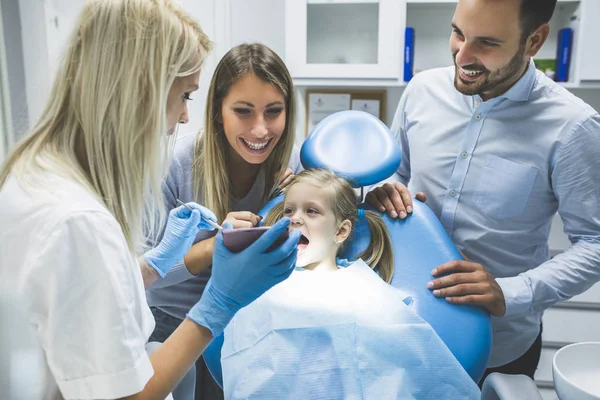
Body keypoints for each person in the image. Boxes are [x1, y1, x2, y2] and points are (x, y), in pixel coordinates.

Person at [0, 1, 300, 399]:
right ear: (141, 90)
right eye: (185, 96)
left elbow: (81, 291)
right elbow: (129, 395)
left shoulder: (35, 172)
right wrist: (218, 303)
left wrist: (150, 266)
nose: (183, 118)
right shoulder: (77, 220)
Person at [366, 0, 600, 384]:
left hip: (500, 346)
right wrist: (384, 191)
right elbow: (394, 175)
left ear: (534, 41)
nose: (464, 55)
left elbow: (594, 242)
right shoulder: (421, 90)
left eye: (487, 43)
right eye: (458, 33)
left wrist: (510, 291)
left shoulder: (573, 128)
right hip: (404, 328)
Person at [218, 168, 480, 398]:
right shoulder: (264, 282)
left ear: (341, 231)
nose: (295, 218)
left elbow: (406, 358)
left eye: (311, 211)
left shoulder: (367, 290)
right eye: (289, 210)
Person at [145, 43, 301, 399]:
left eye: (273, 111)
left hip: (260, 321)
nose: (260, 130)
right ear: (218, 111)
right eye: (243, 111)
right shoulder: (176, 166)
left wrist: (378, 193)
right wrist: (211, 248)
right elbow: (146, 280)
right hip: (176, 325)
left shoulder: (293, 163)